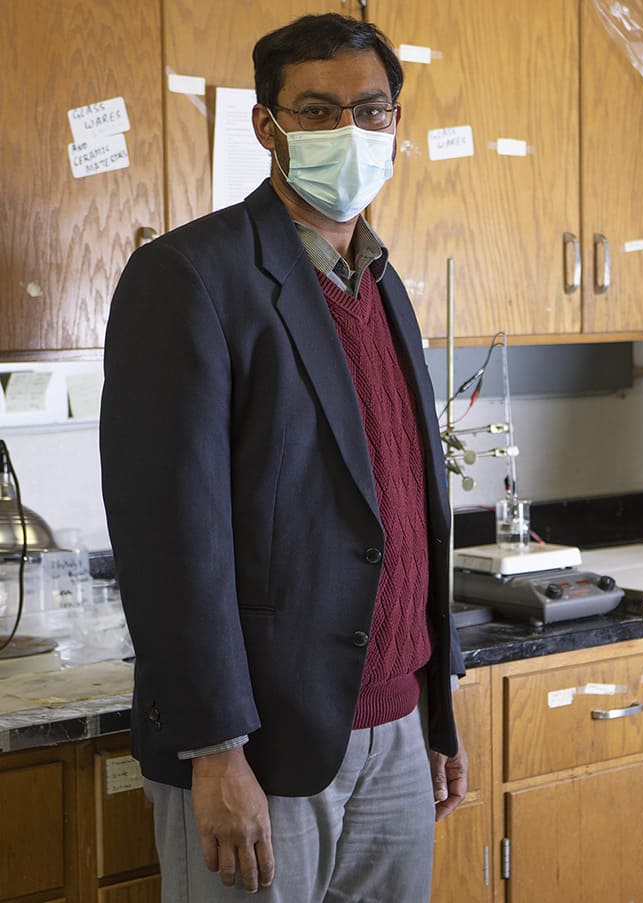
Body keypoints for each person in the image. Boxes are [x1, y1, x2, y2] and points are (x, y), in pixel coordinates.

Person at [100, 13, 466, 901]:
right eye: (317, 111)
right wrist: (215, 750)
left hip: (394, 734)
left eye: (370, 110)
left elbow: (412, 504)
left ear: (396, 122)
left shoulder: (384, 281)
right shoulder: (190, 277)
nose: (350, 132)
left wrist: (438, 708)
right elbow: (170, 539)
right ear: (268, 128)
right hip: (258, 748)